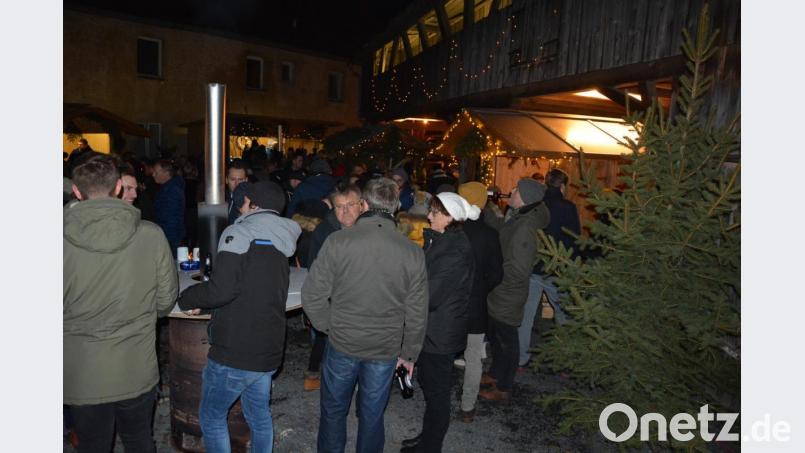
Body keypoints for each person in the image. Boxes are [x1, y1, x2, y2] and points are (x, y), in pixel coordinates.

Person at [302, 177, 429, 453]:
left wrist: (328, 326)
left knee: (334, 411)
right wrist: (409, 354)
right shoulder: (412, 252)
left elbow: (312, 294)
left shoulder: (338, 241)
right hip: (384, 348)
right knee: (372, 416)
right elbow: (417, 312)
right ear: (395, 207)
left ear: (364, 204)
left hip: (343, 342)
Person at [64, 155, 178, 453]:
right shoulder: (151, 235)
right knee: (139, 440)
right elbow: (166, 300)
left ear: (76, 191)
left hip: (81, 368)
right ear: (117, 187)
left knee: (92, 445)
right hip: (135, 363)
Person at [177, 181, 302, 453]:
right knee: (259, 415)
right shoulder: (282, 237)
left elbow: (222, 289)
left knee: (211, 416)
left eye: (242, 202)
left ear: (252, 204)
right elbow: (251, 289)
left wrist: (187, 298)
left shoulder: (239, 232)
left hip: (236, 351)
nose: (239, 208)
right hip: (268, 347)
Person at [401, 192, 476, 453]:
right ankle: (426, 437)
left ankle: (431, 446)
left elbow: (430, 296)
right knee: (430, 388)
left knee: (437, 394)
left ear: (450, 217)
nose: (429, 216)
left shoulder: (455, 250)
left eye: (434, 212)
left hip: (439, 333)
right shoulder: (442, 240)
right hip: (433, 329)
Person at [479, 178, 550, 402]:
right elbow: (503, 233)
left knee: (507, 339)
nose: (511, 190)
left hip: (508, 291)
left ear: (525, 196)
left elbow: (518, 268)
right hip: (502, 290)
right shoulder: (520, 217)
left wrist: (497, 278)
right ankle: (495, 373)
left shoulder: (525, 226)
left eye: (516, 189)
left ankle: (503, 386)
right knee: (497, 335)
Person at [303, 182, 364, 391]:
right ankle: (316, 372)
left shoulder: (369, 230)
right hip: (333, 299)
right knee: (325, 340)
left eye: (350, 205)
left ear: (362, 205)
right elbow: (314, 266)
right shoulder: (325, 230)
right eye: (339, 206)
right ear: (332, 207)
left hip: (361, 301)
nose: (345, 211)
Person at [517, 169, 582, 364]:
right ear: (563, 186)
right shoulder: (568, 207)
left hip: (534, 267)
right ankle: (566, 361)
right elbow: (574, 238)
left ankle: (521, 358)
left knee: (526, 316)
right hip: (558, 268)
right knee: (563, 315)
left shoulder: (537, 206)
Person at [456, 182, 503, 422]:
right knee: (474, 357)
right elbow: (497, 274)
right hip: (476, 305)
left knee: (442, 355)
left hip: (450, 306)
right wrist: (481, 289)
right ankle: (467, 406)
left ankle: (438, 402)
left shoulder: (451, 231)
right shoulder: (490, 234)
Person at [152, 159, 185, 254]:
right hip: (168, 235)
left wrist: (165, 238)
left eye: (156, 172)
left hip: (170, 238)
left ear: (166, 173)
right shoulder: (167, 188)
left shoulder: (171, 190)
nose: (153, 174)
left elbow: (171, 218)